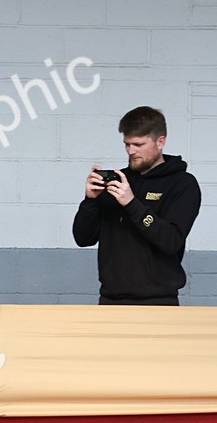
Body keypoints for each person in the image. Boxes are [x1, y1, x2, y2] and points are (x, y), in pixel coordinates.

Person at [72, 106, 201, 305]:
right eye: (127, 144)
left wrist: (132, 204)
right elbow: (83, 238)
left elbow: (171, 241)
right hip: (110, 300)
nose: (131, 151)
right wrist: (90, 200)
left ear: (160, 142)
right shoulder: (120, 182)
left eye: (139, 144)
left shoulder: (183, 184)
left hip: (159, 303)